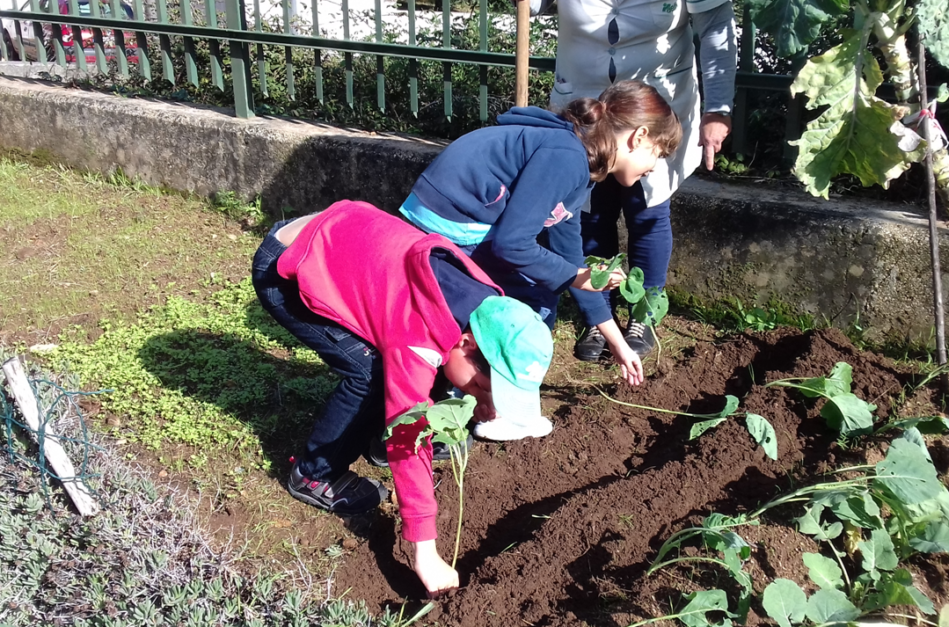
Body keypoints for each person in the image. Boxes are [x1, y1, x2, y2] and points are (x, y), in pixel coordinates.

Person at [251, 199, 555, 598]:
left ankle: (366, 439)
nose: (481, 397)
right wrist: (424, 553)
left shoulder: (488, 306)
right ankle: (314, 474)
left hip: (339, 239)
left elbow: (452, 368)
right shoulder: (417, 335)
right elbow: (407, 437)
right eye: (483, 387)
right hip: (287, 263)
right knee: (372, 375)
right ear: (466, 343)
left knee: (406, 374)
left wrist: (483, 397)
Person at [399, 81, 682, 429]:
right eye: (658, 152)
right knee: (531, 305)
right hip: (448, 227)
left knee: (539, 294)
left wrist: (616, 341)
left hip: (458, 222)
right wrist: (573, 276)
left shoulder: (582, 161)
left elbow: (569, 257)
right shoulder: (567, 157)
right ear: (639, 136)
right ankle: (464, 395)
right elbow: (512, 245)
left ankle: (475, 391)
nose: (654, 166)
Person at [527, 0, 739, 361]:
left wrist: (718, 108)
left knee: (647, 212)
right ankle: (598, 312)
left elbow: (717, 26)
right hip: (584, 106)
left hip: (653, 112)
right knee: (590, 214)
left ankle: (643, 312)